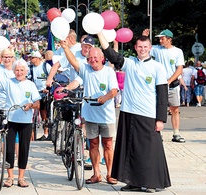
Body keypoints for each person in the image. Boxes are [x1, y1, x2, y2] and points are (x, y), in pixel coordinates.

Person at [97, 32, 171, 193]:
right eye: (140, 47)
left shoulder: (158, 67)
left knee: (148, 150)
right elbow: (110, 53)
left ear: (150, 48)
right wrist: (98, 32)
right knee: (128, 148)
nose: (142, 49)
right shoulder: (130, 63)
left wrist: (160, 119)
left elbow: (163, 95)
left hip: (148, 114)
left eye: (145, 47)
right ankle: (132, 181)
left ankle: (150, 182)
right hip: (128, 112)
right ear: (135, 48)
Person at [59, 39, 119, 185]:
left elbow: (114, 90)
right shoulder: (85, 70)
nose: (92, 60)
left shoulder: (109, 71)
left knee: (108, 144)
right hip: (90, 114)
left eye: (95, 57)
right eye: (90, 58)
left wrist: (105, 98)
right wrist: (66, 48)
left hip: (106, 115)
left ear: (102, 58)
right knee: (92, 144)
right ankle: (96, 173)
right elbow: (73, 62)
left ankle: (110, 174)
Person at [0, 57, 41, 188]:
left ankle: (21, 177)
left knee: (23, 149)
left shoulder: (30, 84)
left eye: (22, 70)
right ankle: (10, 177)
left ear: (26, 71)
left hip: (26, 121)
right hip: (10, 120)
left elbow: (37, 103)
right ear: (13, 71)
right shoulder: (8, 82)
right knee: (9, 150)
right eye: (17, 70)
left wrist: (30, 105)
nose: (19, 72)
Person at [143, 29, 185, 143]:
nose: (160, 40)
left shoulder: (177, 52)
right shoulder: (156, 49)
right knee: (157, 109)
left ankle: (176, 133)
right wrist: (144, 37)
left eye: (163, 38)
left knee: (175, 109)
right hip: (158, 85)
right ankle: (158, 132)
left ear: (169, 39)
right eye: (159, 38)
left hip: (172, 85)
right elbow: (144, 49)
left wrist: (169, 81)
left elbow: (179, 69)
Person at [27, 50, 51, 141]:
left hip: (44, 91)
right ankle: (32, 134)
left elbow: (52, 77)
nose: (31, 59)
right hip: (35, 92)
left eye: (32, 58)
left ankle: (46, 132)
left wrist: (48, 88)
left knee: (44, 112)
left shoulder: (45, 66)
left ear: (37, 58)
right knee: (33, 111)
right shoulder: (31, 68)